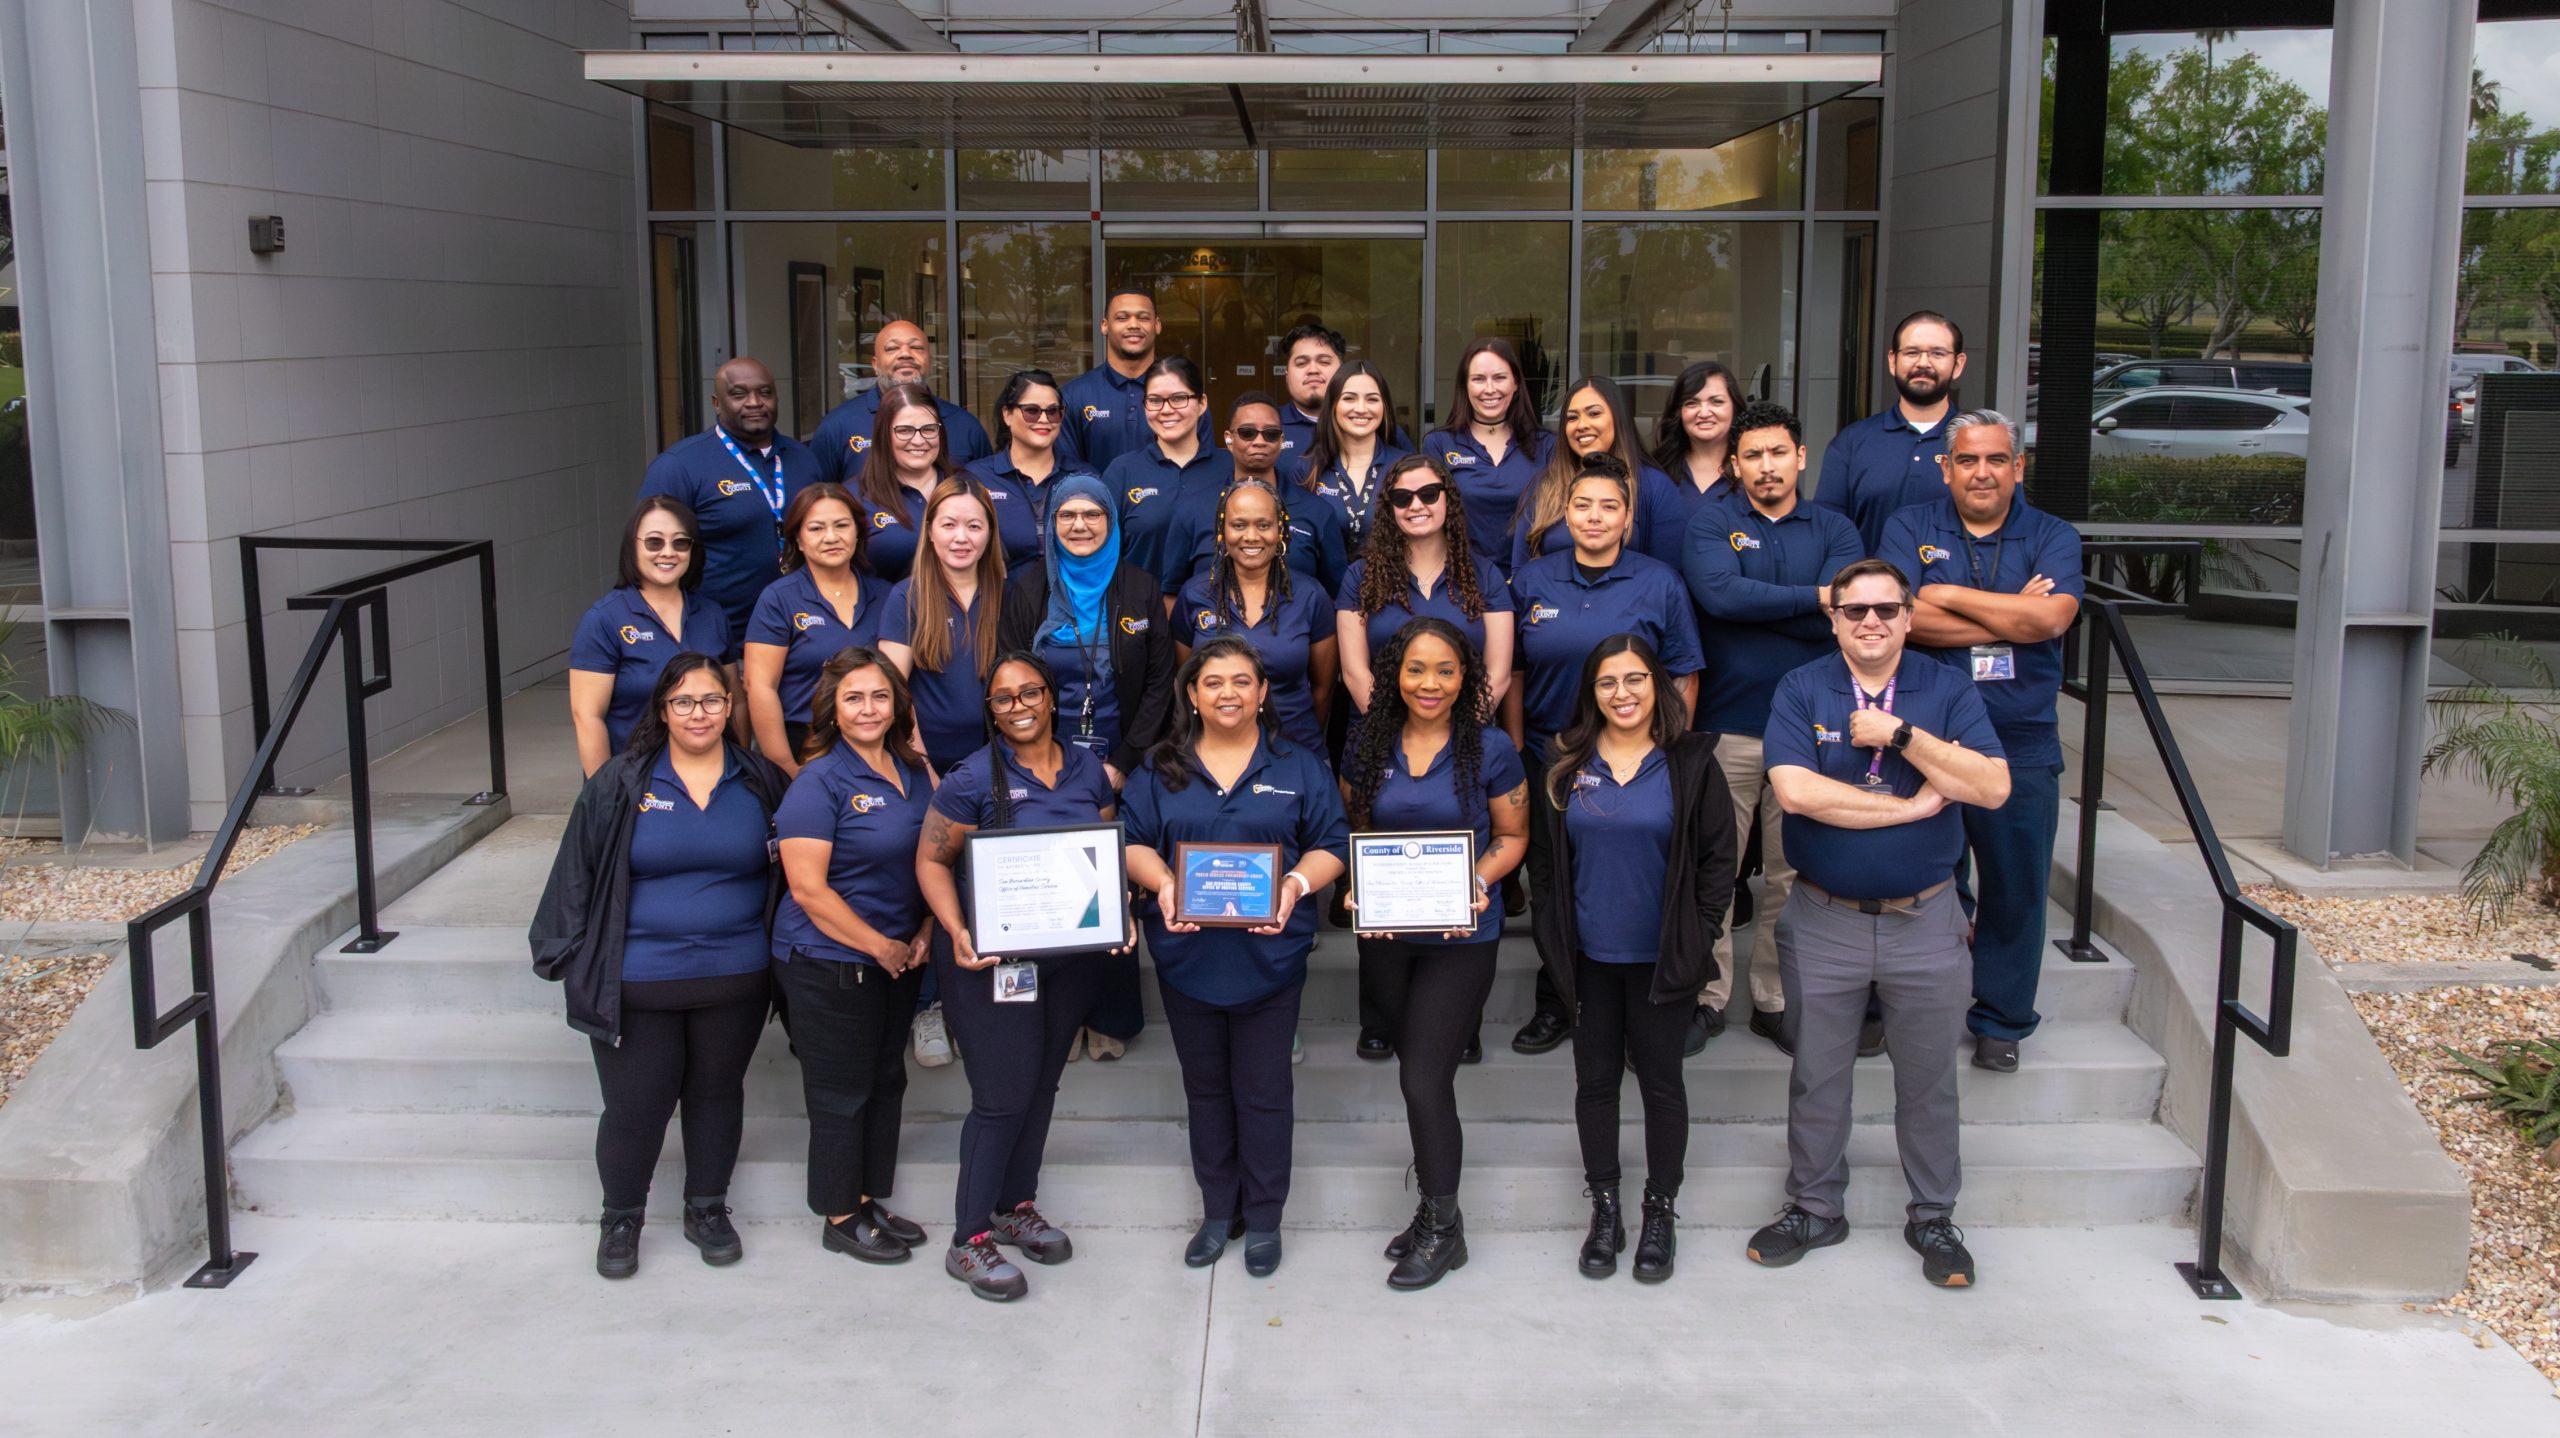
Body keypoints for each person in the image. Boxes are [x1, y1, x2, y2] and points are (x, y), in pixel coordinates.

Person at [1748, 558, 2011, 1289]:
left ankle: (1932, 1215)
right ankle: (1814, 1207)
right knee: (1817, 1075)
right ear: (1832, 618)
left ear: (1907, 617)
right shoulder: (1802, 688)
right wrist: (1912, 804)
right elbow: (1797, 793)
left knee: (1928, 1079)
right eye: (1854, 610)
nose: (1871, 622)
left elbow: (1991, 786)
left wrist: (1901, 738)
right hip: (1823, 917)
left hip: (1925, 920)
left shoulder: (1946, 690)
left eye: (1886, 610)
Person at [530, 653, 788, 1279]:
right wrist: (563, 955)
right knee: (636, 1106)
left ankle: (706, 1207)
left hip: (736, 978)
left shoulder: (761, 781)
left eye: (711, 701)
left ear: (731, 708)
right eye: (683, 702)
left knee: (716, 1094)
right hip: (638, 980)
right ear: (663, 710)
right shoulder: (621, 783)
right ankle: (621, 1217)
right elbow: (576, 872)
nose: (698, 713)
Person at [1121, 638, 1349, 1276]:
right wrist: (1164, 882)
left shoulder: (1298, 766)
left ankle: (1267, 1216)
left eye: (1242, 681)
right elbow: (1133, 841)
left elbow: (1332, 841)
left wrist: (1296, 885)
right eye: (1213, 682)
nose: (1228, 693)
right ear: (1192, 694)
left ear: (1263, 692)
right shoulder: (1160, 768)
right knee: (1206, 1092)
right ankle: (1219, 1210)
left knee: (1266, 1092)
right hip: (1187, 959)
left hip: (1270, 961)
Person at [914, 653, 1128, 1301]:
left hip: (1070, 963)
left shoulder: (1088, 769)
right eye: (1004, 698)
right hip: (993, 963)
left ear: (1051, 697)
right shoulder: (970, 779)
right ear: (991, 710)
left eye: (1029, 692)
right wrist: (956, 929)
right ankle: (970, 1238)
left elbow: (1102, 847)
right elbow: (929, 862)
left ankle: (1015, 1205)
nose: (1019, 706)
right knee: (1002, 1095)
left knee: (1040, 1087)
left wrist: (1117, 913)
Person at [1881, 410, 2081, 1073]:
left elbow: (2053, 616)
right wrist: (2009, 616)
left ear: (2017, 467)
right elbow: (1900, 620)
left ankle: (2001, 1019)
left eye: (1997, 459)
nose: (1983, 472)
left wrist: (1948, 594)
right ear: (1947, 467)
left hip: (2019, 737)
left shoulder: (2051, 534)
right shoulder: (1912, 525)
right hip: (1926, 735)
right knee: (1911, 875)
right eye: (1967, 460)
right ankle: (1895, 1006)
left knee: (2016, 887)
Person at [1535, 636, 1734, 1284]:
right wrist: (1554, 944)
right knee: (1594, 1084)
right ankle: (1607, 1208)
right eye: (1608, 683)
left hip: (1662, 962)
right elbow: (1545, 867)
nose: (1623, 694)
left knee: (1661, 1085)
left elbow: (1717, 863)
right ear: (1590, 693)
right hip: (1590, 957)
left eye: (1636, 679)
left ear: (1659, 687)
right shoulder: (1565, 761)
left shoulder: (1692, 761)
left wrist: (1697, 938)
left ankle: (1659, 1210)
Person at [1340, 618, 1528, 1290]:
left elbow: (1512, 834)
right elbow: (1357, 827)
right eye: (1417, 669)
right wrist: (1360, 883)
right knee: (1408, 1065)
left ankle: (1446, 1228)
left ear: (1467, 678)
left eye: (1446, 670)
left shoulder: (1491, 748)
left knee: (1424, 1079)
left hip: (1462, 938)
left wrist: (1477, 880)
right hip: (1389, 941)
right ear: (1394, 673)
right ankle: (1429, 1212)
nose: (1430, 683)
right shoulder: (1366, 742)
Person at [1503, 457, 1704, 1056]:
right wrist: (1515, 745)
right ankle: (1559, 999)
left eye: (1608, 507)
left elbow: (1685, 675)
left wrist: (1669, 754)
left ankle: (1642, 1007)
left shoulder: (1659, 581)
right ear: (1565, 513)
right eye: (1583, 505)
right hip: (1548, 757)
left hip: (1634, 763)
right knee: (1550, 883)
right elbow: (1512, 670)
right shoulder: (1534, 580)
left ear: (1628, 518)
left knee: (1622, 881)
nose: (1594, 517)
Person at [1681, 402, 1862, 1053]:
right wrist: (1814, 598)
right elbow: (1719, 597)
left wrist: (1769, 605)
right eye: (1752, 456)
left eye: (1777, 453)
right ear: (1735, 464)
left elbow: (1848, 612)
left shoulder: (1836, 529)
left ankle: (1772, 998)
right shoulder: (1711, 524)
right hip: (1726, 725)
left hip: (1812, 734)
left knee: (1793, 875)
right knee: (1715, 871)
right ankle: (1706, 996)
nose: (1766, 467)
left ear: (1800, 457)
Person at [995, 472, 1180, 1061]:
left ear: (1111, 523)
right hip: (1041, 757)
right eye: (1067, 516)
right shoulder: (1026, 589)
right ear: (1050, 524)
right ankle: (1057, 1016)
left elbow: (1159, 683)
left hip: (1121, 755)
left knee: (1113, 887)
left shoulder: (1140, 587)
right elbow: (1011, 676)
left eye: (1092, 515)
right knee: (1053, 880)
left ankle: (1111, 1017)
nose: (1079, 525)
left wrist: (1124, 760)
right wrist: (1035, 758)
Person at [768, 646, 939, 1267]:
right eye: (854, 698)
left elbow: (934, 859)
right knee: (841, 1092)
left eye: (879, 696)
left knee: (885, 1081)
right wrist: (881, 946)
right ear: (833, 712)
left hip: (896, 957)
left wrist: (922, 929)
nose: (869, 709)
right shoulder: (818, 782)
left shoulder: (916, 771)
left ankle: (866, 1197)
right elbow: (808, 889)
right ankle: (839, 1215)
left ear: (897, 705)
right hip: (828, 962)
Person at [639, 356, 819, 643]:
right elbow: (647, 557)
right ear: (716, 403)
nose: (754, 402)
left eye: (765, 392)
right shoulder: (680, 465)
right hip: (717, 639)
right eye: (739, 394)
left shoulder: (804, 459)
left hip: (800, 633)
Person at [1337, 454, 1514, 725]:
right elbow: (1355, 673)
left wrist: (1452, 738)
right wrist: (1398, 738)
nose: (1415, 505)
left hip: (1465, 738)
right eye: (1402, 497)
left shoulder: (1485, 575)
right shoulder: (1360, 576)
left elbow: (1498, 674)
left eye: (1428, 494)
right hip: (1379, 738)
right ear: (1390, 507)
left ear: (1448, 499)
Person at [569, 498, 732, 777]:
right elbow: (587, 718)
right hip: (634, 785)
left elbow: (735, 703)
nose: (668, 552)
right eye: (654, 542)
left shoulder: (712, 614)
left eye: (680, 543)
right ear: (632, 546)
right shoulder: (603, 619)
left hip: (709, 780)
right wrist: (607, 795)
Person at [1174, 478, 1337, 756]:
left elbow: (1323, 687)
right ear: (1222, 532)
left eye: (1263, 525)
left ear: (1280, 531)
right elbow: (1185, 680)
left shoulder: (1310, 595)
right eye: (1239, 525)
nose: (1251, 536)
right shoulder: (1194, 595)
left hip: (1296, 748)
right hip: (1214, 752)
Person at [742, 483, 888, 775]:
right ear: (798, 539)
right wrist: (786, 768)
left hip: (877, 745)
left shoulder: (887, 596)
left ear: (858, 533)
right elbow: (760, 687)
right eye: (816, 528)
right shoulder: (778, 599)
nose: (831, 537)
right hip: (803, 747)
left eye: (841, 525)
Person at [1158, 391, 1350, 604]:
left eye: (1271, 434)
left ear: (1281, 441)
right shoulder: (1192, 509)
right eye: (1247, 432)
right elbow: (1172, 593)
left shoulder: (1317, 512)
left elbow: (1338, 597)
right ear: (1229, 439)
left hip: (1293, 633)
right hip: (1212, 633)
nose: (1259, 441)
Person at [879, 476, 1007, 776]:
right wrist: (920, 763)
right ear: (930, 531)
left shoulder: (1008, 595)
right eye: (949, 525)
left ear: (989, 533)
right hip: (926, 763)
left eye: (974, 526)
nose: (961, 537)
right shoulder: (906, 597)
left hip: (999, 761)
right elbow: (892, 689)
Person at [1815, 310, 1969, 555]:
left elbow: (2011, 527)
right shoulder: (1851, 443)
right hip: (1872, 591)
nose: (1923, 363)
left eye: (1937, 353)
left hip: (1959, 591)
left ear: (1958, 364)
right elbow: (1826, 536)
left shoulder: (1980, 443)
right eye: (1912, 352)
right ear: (1892, 360)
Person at [1510, 376, 1687, 573]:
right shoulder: (1544, 486)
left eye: (1594, 413)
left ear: (1618, 419)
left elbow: (1667, 576)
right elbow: (1521, 572)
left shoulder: (1655, 487)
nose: (1581, 425)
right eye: (1572, 417)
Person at [1421, 338, 1554, 568]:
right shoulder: (1439, 444)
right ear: (1465, 386)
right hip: (1462, 583)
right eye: (1478, 379)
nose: (1490, 389)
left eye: (1500, 377)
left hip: (1531, 581)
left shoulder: (1548, 445)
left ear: (1516, 384)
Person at [810, 319, 993, 484]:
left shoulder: (966, 426)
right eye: (892, 348)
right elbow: (820, 501)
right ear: (875, 364)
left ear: (929, 361)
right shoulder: (837, 426)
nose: (905, 354)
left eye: (917, 348)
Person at [1100, 356, 1233, 583]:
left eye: (1179, 398)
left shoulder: (1231, 468)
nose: (1166, 410)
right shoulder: (1122, 472)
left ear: (1202, 403)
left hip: (1219, 612)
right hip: (1139, 613)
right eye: (1155, 400)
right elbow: (1102, 557)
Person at [1062, 288, 1207, 471]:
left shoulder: (1187, 397)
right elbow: (1068, 469)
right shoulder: (1074, 396)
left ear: (1157, 325)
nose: (1133, 325)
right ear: (1104, 326)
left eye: (1143, 317)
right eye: (1122, 318)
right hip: (1096, 499)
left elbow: (1203, 467)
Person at [966, 369, 1092, 572]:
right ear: (1007, 415)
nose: (1044, 420)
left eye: (1053, 411)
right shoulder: (976, 479)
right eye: (1032, 411)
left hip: (1071, 602)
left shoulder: (1085, 477)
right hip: (1001, 601)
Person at [1284, 361, 1413, 552]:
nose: (1361, 409)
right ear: (1333, 405)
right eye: (1349, 398)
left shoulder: (1405, 467)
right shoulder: (1307, 470)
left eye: (1372, 399)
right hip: (1325, 581)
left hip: (1392, 579)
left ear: (1384, 406)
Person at [847, 380, 961, 584]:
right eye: (905, 430)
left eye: (928, 429)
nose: (918, 440)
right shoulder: (854, 497)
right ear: (884, 435)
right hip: (884, 613)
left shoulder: (966, 488)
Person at [1276, 321, 1414, 457]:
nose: (1313, 370)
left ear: (1343, 371)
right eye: (1301, 363)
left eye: (1324, 362)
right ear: (1287, 375)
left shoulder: (1377, 426)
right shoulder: (1269, 429)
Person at [1652, 359, 1747, 542]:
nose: (1704, 413)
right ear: (1678, 412)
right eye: (1691, 403)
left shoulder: (1752, 472)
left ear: (1735, 408)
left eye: (1716, 402)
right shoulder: (1655, 471)